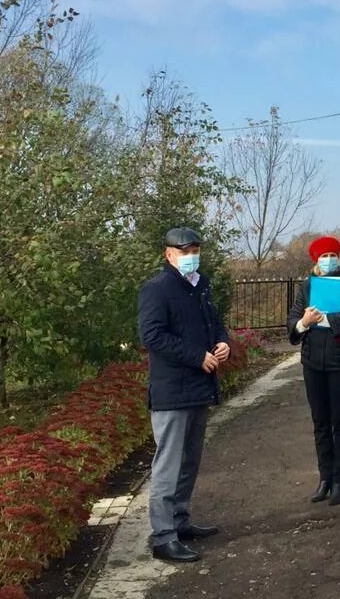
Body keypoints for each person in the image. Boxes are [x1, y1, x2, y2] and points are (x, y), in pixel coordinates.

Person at [138, 227, 230, 563]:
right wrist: (196, 355)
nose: (191, 255)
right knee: (168, 464)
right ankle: (163, 536)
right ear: (169, 255)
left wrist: (223, 344)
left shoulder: (200, 286)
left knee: (189, 461)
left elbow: (215, 324)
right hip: (172, 390)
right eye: (184, 250)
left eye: (194, 249)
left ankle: (180, 521)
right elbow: (152, 336)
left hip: (198, 388)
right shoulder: (158, 289)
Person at [286, 235, 340, 506]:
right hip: (312, 365)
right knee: (320, 422)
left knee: (339, 422)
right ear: (316, 260)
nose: (329, 260)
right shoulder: (306, 287)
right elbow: (292, 323)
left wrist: (327, 319)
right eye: (324, 256)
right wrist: (304, 322)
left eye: (333, 255)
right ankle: (325, 479)